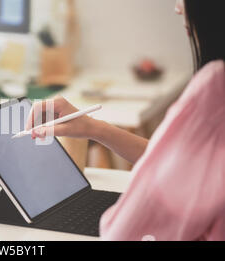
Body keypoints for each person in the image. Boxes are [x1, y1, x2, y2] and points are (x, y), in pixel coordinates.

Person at [26, 0, 225, 241]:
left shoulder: (215, 87)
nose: (177, 8)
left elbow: (123, 232)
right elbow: (181, 166)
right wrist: (93, 128)